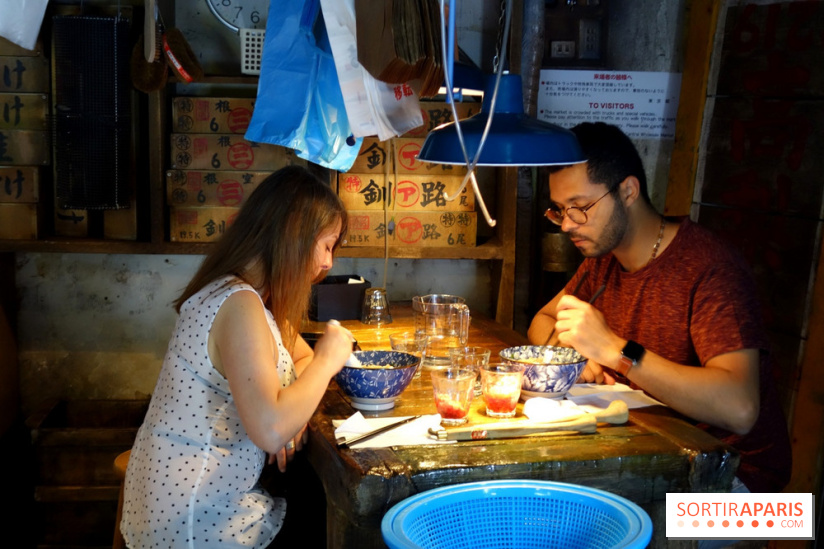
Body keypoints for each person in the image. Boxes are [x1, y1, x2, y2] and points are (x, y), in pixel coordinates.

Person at [528, 122, 791, 495]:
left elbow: (740, 408)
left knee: (585, 528)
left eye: (581, 207)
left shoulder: (709, 268)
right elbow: (544, 320)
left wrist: (617, 352)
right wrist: (573, 353)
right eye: (559, 210)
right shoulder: (604, 254)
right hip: (653, 449)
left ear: (629, 191)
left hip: (738, 483)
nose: (568, 225)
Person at [120, 165, 354, 548]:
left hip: (176, 503)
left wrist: (296, 409)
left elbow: (301, 358)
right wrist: (330, 361)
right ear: (293, 234)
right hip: (193, 522)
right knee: (326, 511)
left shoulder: (244, 294)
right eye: (327, 245)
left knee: (310, 496)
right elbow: (270, 427)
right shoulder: (239, 304)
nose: (329, 263)